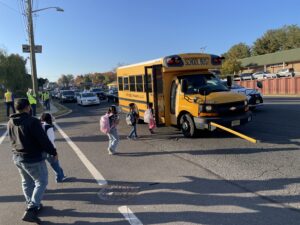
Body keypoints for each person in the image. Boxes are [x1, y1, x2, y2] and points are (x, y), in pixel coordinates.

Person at [7, 98, 57, 223]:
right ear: (28, 107)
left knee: (26, 182)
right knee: (42, 181)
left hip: (17, 157)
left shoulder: (10, 122)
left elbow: (11, 139)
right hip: (33, 158)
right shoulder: (33, 121)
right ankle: (32, 209)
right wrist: (53, 152)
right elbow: (43, 140)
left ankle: (32, 204)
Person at [40, 113, 66, 182]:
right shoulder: (49, 127)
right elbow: (51, 140)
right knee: (55, 164)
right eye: (51, 117)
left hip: (41, 150)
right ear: (49, 118)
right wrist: (55, 152)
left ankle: (62, 175)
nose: (53, 118)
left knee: (49, 165)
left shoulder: (41, 125)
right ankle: (59, 178)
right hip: (49, 150)